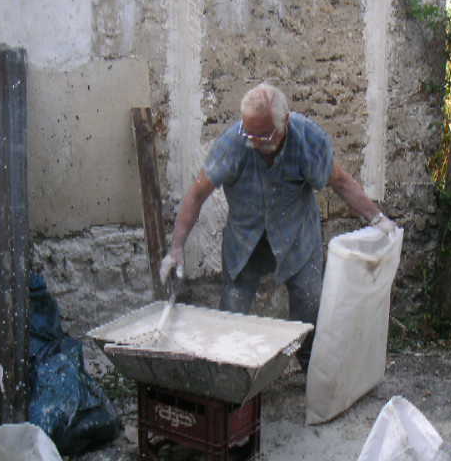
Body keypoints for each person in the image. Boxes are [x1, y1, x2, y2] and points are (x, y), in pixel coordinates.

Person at [159, 82, 396, 372]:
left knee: (309, 304)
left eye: (263, 135)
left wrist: (378, 219)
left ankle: (311, 372)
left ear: (284, 122)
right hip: (245, 240)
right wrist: (176, 249)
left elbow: (341, 182)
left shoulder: (308, 140)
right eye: (249, 134)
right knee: (232, 308)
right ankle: (230, 375)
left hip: (296, 236)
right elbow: (197, 194)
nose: (254, 142)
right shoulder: (233, 143)